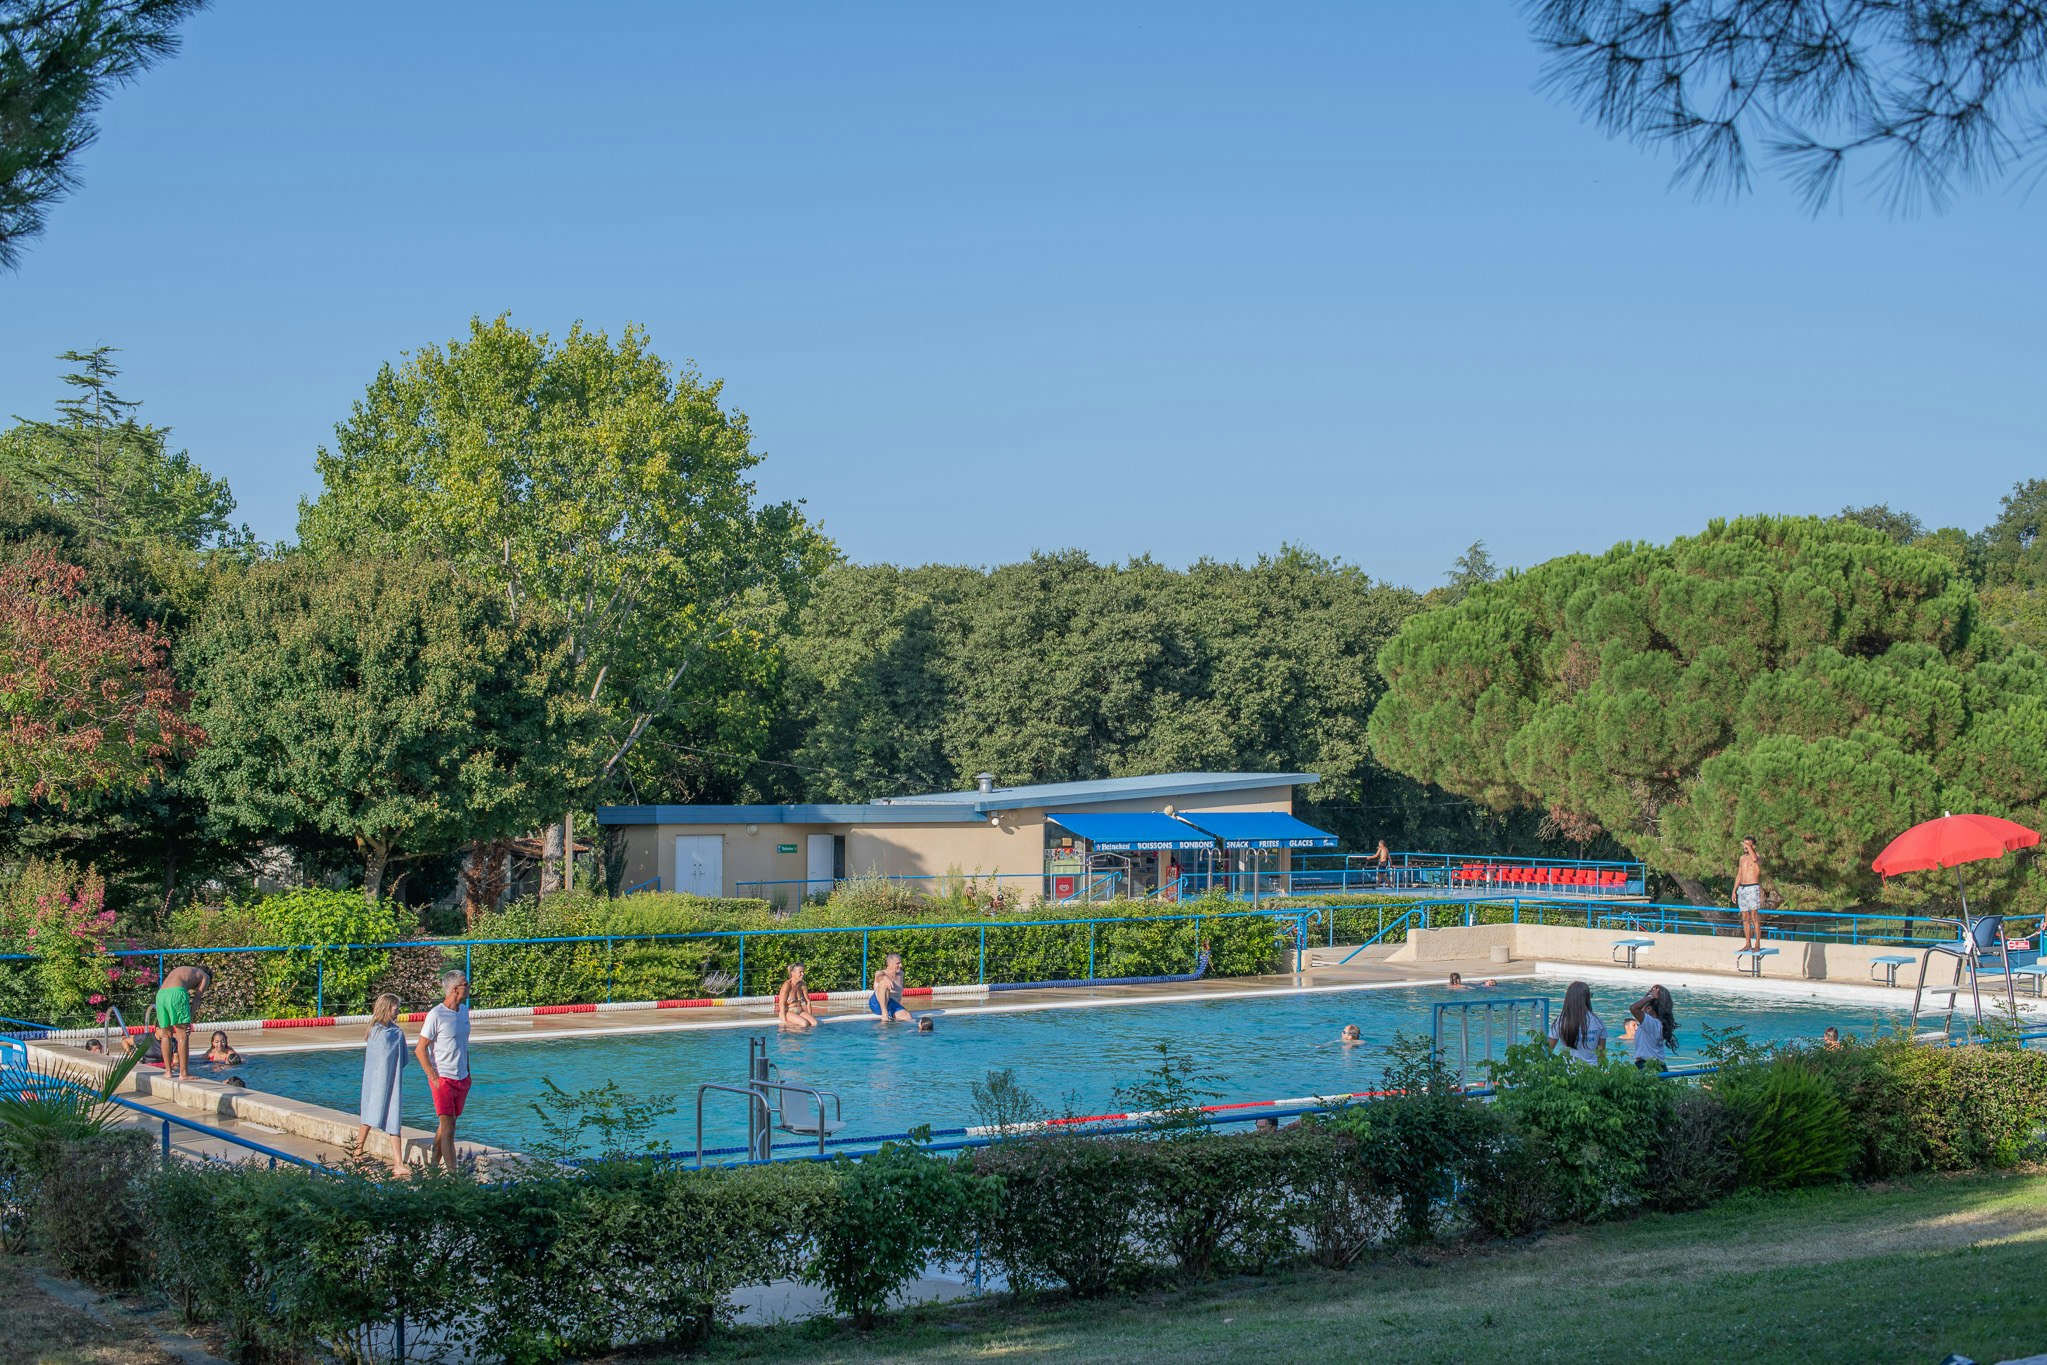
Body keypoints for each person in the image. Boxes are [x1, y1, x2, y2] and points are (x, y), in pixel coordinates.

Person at [414, 971, 471, 1170]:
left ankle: (433, 1170)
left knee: (445, 1126)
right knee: (449, 1128)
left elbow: (464, 1045)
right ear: (456, 989)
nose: (469, 986)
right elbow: (420, 1049)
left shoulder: (463, 1011)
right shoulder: (436, 1015)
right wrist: (434, 1077)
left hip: (462, 1078)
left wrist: (468, 1072)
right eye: (466, 983)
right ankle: (454, 1179)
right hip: (443, 1078)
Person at [355, 993, 409, 1177]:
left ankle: (398, 1163)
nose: (398, 1012)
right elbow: (378, 1059)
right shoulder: (376, 1032)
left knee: (394, 1120)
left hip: (392, 1081)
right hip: (375, 1081)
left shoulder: (396, 1032)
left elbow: (401, 1057)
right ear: (387, 1009)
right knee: (369, 1116)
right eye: (396, 1009)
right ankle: (357, 1153)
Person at [153, 963, 212, 1080]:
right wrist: (190, 1020)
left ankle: (168, 1072)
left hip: (161, 995)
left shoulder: (187, 970)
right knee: (182, 1036)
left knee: (166, 1035)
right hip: (176, 993)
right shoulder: (205, 976)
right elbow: (196, 999)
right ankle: (183, 1073)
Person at [1547, 981, 1607, 1065]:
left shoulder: (1561, 1021)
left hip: (1567, 1072)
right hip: (1592, 1073)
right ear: (1587, 998)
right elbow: (1601, 1056)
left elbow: (1548, 1050)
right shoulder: (1598, 1022)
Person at [1628, 984, 1676, 1071]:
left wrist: (1650, 996)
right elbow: (1640, 1010)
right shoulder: (1658, 1024)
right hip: (1657, 1066)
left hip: (1648, 1066)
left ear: (1650, 1007)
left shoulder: (1651, 1023)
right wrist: (1648, 997)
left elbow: (1633, 1008)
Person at [1734, 836, 1765, 953]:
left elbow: (1755, 859)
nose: (1745, 847)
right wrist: (1734, 890)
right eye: (1744, 845)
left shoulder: (1757, 857)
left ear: (1753, 846)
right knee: (1745, 917)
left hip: (1752, 887)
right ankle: (1748, 943)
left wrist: (1749, 848)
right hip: (1742, 888)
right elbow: (1739, 874)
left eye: (1748, 845)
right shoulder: (1742, 858)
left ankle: (1757, 943)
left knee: (1754, 916)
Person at [868, 953, 912, 1022]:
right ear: (889, 963)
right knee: (884, 982)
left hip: (892, 1004)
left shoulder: (901, 974)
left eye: (901, 963)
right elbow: (879, 975)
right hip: (877, 1003)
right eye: (898, 963)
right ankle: (884, 1013)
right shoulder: (880, 972)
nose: (901, 965)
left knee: (907, 1017)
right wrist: (885, 977)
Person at [775, 963, 818, 1030]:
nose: (803, 974)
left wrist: (810, 1015)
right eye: (800, 972)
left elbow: (808, 1002)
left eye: (803, 972)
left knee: (814, 1023)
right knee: (804, 1024)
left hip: (800, 1011)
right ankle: (790, 1030)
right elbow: (781, 1003)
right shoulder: (787, 985)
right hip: (788, 1011)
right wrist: (784, 1021)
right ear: (793, 973)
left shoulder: (802, 985)